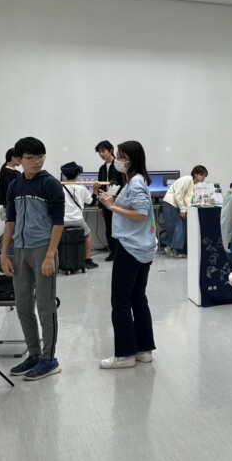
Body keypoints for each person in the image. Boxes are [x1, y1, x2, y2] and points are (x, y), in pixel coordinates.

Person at [1, 137, 64, 381]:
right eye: (30, 158)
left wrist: (50, 255)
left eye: (40, 157)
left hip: (43, 249)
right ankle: (34, 354)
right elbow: (10, 221)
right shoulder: (15, 186)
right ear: (19, 160)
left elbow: (58, 222)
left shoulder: (50, 184)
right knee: (23, 305)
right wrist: (5, 254)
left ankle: (49, 359)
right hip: (20, 251)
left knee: (45, 306)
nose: (36, 162)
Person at [96, 141, 159, 369]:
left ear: (131, 159)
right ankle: (143, 349)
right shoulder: (135, 181)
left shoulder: (136, 183)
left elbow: (140, 214)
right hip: (142, 247)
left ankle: (124, 355)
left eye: (121, 156)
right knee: (137, 298)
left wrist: (111, 206)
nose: (118, 160)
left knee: (121, 301)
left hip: (131, 248)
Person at [161, 165, 208, 258]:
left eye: (205, 176)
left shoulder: (194, 184)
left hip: (176, 205)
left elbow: (187, 199)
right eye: (202, 175)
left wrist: (187, 210)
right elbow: (178, 195)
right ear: (195, 174)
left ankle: (171, 246)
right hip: (170, 203)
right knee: (179, 225)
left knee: (178, 227)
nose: (203, 178)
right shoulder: (187, 179)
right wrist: (183, 209)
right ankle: (176, 250)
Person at [60, 162, 98, 269]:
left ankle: (57, 260)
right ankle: (87, 260)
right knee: (88, 234)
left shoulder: (60, 187)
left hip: (63, 220)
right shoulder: (81, 188)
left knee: (56, 235)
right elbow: (91, 202)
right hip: (78, 220)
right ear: (77, 173)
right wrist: (95, 190)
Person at [95, 140, 123, 261]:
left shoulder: (119, 165)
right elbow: (100, 188)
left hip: (118, 202)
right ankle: (113, 251)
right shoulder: (102, 168)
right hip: (106, 202)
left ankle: (121, 252)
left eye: (103, 151)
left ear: (110, 150)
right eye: (99, 152)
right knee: (109, 228)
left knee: (119, 227)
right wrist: (100, 206)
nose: (101, 154)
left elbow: (122, 184)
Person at [0, 148, 20, 222]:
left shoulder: (15, 172)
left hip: (16, 203)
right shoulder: (7, 173)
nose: (20, 160)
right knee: (12, 224)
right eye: (18, 158)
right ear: (13, 158)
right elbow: (8, 191)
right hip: (12, 205)